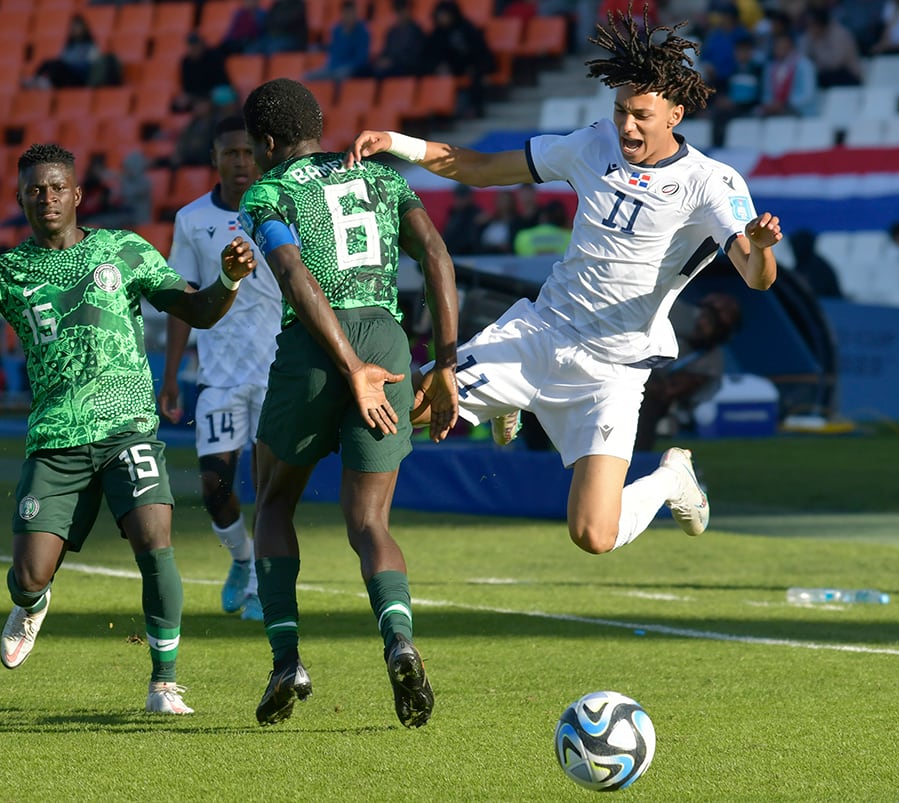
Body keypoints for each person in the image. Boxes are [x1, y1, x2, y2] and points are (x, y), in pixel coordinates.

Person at [347, 7, 783, 556]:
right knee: (408, 408)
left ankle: (672, 479)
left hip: (613, 371)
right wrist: (397, 141)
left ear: (674, 113)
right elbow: (481, 168)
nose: (627, 125)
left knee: (593, 536)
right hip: (539, 336)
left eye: (642, 115)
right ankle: (514, 399)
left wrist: (762, 249)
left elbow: (755, 275)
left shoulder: (712, 185)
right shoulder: (592, 143)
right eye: (621, 110)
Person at [0, 143, 256, 714]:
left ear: (76, 194)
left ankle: (164, 683)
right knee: (28, 575)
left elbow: (195, 310)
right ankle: (31, 602)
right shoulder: (6, 271)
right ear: (21, 198)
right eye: (34, 190)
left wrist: (226, 281)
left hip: (129, 429)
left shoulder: (122, 250)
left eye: (56, 188)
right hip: (56, 441)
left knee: (156, 544)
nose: (46, 198)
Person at [237, 78, 460, 728]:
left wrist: (347, 366)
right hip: (390, 343)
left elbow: (294, 274)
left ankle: (287, 661)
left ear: (269, 143)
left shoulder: (269, 190)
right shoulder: (384, 180)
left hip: (318, 346)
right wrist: (443, 366)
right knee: (370, 522)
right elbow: (439, 258)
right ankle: (399, 639)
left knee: (274, 499)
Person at [159, 116, 280, 623]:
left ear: (261, 154)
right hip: (219, 378)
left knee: (270, 487)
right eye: (230, 153)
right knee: (215, 488)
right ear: (215, 159)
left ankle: (260, 588)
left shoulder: (283, 210)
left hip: (277, 371)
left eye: (248, 153)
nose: (241, 162)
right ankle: (241, 559)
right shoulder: (192, 220)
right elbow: (183, 299)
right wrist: (168, 377)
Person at [636, 293, 741, 451]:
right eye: (702, 315)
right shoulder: (680, 337)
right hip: (636, 390)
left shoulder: (711, 361)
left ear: (720, 329)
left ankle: (638, 456)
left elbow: (666, 391)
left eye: (708, 320)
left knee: (650, 403)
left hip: (661, 411)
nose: (700, 321)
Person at [424, 0, 496, 118]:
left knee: (476, 75)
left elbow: (479, 53)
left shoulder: (466, 29)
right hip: (449, 69)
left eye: (444, 15)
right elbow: (430, 55)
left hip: (471, 66)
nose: (442, 18)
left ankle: (475, 109)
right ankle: (438, 113)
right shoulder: (437, 33)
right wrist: (438, 66)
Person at [305, 1, 371, 82]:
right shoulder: (336, 30)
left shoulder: (363, 32)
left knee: (339, 75)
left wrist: (348, 67)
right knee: (307, 76)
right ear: (342, 14)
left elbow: (361, 59)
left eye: (351, 13)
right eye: (346, 13)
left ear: (355, 13)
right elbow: (333, 49)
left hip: (351, 69)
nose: (349, 16)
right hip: (332, 67)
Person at [371, 0, 427, 79]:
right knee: (368, 71)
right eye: (399, 11)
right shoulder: (391, 32)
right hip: (391, 65)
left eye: (404, 10)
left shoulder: (417, 31)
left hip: (407, 67)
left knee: (383, 73)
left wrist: (393, 61)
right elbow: (386, 51)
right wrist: (381, 60)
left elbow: (415, 56)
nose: (401, 14)